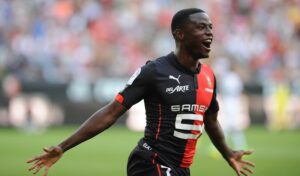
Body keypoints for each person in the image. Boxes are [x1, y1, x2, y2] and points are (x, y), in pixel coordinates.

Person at [27, 8, 255, 176]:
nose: (209, 34)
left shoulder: (208, 76)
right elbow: (111, 113)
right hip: (151, 162)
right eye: (201, 27)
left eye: (211, 28)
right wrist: (63, 147)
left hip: (182, 169)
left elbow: (211, 121)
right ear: (180, 34)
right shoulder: (154, 71)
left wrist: (228, 153)